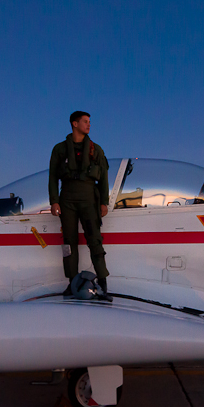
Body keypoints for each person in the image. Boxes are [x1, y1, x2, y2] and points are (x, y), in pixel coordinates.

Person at [49, 111, 112, 301]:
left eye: (89, 122)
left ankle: (102, 281)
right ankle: (72, 282)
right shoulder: (59, 150)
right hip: (67, 198)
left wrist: (103, 202)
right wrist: (54, 201)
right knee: (69, 242)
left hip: (88, 199)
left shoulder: (96, 150)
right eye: (85, 122)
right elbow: (52, 177)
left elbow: (104, 179)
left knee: (95, 240)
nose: (89, 125)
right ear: (74, 124)